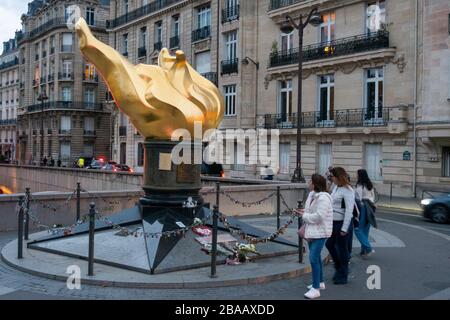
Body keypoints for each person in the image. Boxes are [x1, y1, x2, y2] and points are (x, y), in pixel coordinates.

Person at [296, 174, 333, 299]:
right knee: (315, 258)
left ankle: (316, 288)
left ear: (315, 183)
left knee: (313, 258)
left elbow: (319, 216)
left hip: (320, 232)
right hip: (312, 230)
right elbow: (310, 211)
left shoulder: (324, 198)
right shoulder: (312, 195)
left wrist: (304, 216)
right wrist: (303, 212)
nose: (308, 182)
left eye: (310, 181)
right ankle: (320, 282)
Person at [325, 167, 355, 285]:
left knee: (342, 249)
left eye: (332, 176)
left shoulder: (348, 190)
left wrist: (344, 228)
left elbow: (349, 210)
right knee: (329, 244)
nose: (330, 178)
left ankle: (343, 274)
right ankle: (339, 268)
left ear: (338, 176)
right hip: (333, 221)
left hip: (342, 223)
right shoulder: (336, 187)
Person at [355, 169, 377, 257]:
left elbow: (359, 199)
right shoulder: (369, 184)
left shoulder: (360, 185)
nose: (356, 176)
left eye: (357, 174)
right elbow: (373, 196)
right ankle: (363, 250)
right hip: (371, 206)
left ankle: (368, 248)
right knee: (366, 229)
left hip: (363, 206)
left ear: (360, 175)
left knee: (358, 229)